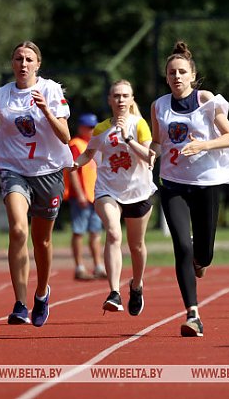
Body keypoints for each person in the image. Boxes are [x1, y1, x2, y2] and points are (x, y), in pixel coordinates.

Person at [0, 41, 71, 327]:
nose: (23, 64)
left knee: (41, 241)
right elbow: (5, 129)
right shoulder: (1, 95)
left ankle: (42, 293)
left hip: (47, 170)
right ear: (12, 63)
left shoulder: (51, 89)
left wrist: (47, 112)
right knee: (18, 229)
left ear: (38, 64)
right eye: (18, 58)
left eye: (29, 59)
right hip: (13, 167)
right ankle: (19, 303)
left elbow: (65, 136)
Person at [150, 41, 229, 337]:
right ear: (166, 78)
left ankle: (200, 262)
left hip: (205, 182)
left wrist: (204, 144)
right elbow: (157, 142)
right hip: (173, 182)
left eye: (181, 72)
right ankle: (193, 314)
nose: (176, 77)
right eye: (171, 73)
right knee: (182, 245)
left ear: (192, 75)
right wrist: (148, 153)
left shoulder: (206, 100)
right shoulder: (159, 106)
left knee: (204, 253)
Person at [71, 80, 156, 316]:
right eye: (116, 96)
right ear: (109, 100)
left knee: (136, 245)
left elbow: (149, 157)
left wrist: (127, 138)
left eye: (124, 96)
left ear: (131, 99)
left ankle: (136, 285)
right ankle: (114, 292)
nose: (120, 100)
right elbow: (89, 153)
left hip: (138, 192)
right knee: (113, 232)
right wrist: (72, 165)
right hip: (108, 191)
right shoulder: (100, 129)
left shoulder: (140, 125)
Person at [65, 113, 105, 281]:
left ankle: (98, 266)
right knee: (79, 231)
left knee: (96, 232)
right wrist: (80, 194)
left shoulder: (95, 144)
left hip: (96, 195)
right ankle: (79, 266)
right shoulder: (76, 144)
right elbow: (72, 171)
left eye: (93, 127)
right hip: (81, 196)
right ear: (81, 128)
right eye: (89, 127)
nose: (91, 130)